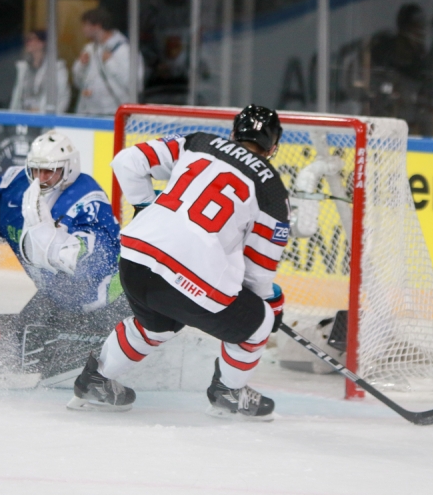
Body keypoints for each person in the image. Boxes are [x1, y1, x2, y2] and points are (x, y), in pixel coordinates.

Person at [67, 105, 290, 420]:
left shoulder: (198, 142)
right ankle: (228, 392)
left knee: (156, 325)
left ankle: (95, 381)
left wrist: (145, 207)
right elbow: (258, 272)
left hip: (135, 256)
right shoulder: (272, 192)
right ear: (273, 147)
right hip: (187, 277)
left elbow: (126, 162)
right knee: (259, 323)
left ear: (232, 133)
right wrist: (270, 305)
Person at [0, 130, 129, 379]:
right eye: (36, 170)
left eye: (50, 171)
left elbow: (92, 261)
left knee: (40, 359)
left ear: (68, 168)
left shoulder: (89, 199)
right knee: (14, 350)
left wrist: (49, 242)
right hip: (57, 295)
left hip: (105, 302)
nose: (42, 178)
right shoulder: (13, 184)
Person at [368, 3, 433, 136]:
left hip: (408, 123)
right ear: (404, 28)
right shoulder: (383, 52)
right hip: (384, 123)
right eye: (416, 27)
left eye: (422, 27)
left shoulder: (423, 60)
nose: (420, 32)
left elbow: (429, 94)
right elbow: (373, 87)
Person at [72, 7, 143, 115]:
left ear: (97, 26)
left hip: (114, 114)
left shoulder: (126, 51)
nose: (83, 29)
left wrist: (111, 63)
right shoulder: (89, 49)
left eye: (86, 25)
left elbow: (135, 85)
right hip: (88, 112)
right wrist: (81, 66)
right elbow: (78, 82)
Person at [9, 30, 71, 113]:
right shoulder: (23, 68)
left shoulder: (57, 68)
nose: (28, 42)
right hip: (23, 117)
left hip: (44, 119)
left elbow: (63, 96)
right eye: (27, 39)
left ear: (42, 43)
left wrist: (52, 118)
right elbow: (17, 95)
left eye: (31, 39)